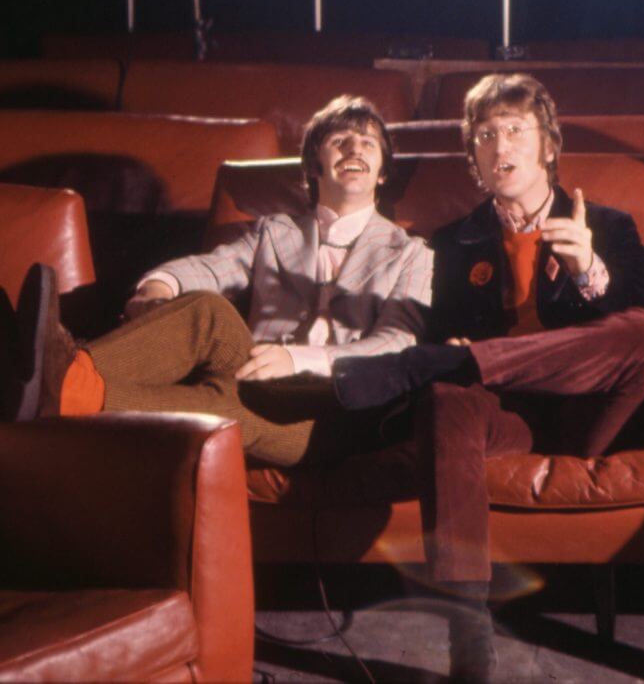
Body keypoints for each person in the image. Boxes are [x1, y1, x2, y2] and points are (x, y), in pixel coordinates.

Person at [328, 73, 644, 682]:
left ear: (548, 146)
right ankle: (465, 620)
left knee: (642, 332)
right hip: (503, 416)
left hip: (588, 411)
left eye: (515, 130)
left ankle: (458, 363)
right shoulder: (454, 244)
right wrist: (463, 356)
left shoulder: (610, 227)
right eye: (485, 135)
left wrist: (589, 270)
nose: (501, 145)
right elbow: (450, 329)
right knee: (446, 390)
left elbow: (640, 332)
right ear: (474, 159)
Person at [2, 95, 433, 468]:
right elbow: (212, 268)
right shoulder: (275, 232)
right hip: (257, 380)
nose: (354, 147)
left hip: (340, 411)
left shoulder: (414, 253)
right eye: (339, 141)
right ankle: (62, 380)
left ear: (381, 174)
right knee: (208, 311)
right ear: (314, 168)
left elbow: (396, 344)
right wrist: (161, 286)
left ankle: (52, 378)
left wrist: (299, 360)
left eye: (368, 142)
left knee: (227, 405)